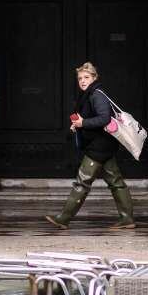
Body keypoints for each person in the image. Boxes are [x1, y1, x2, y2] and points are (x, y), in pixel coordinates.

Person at [45, 62, 135, 230]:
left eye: (86, 77)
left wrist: (83, 122)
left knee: (82, 182)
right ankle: (127, 218)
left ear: (94, 78)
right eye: (80, 78)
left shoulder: (96, 95)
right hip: (103, 145)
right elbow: (91, 118)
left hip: (99, 147)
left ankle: (63, 218)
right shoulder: (88, 94)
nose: (83, 81)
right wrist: (79, 124)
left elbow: (104, 119)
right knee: (116, 181)